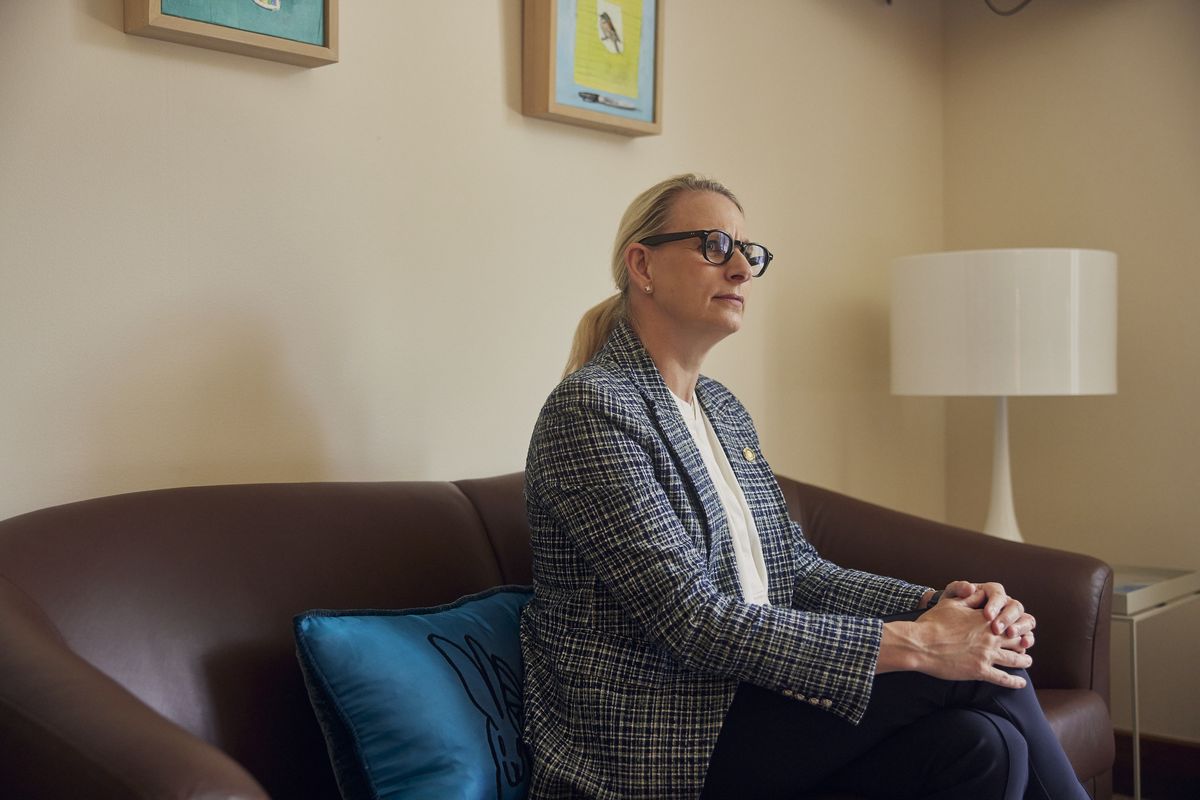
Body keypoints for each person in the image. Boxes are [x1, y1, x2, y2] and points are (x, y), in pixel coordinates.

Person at [519, 174, 1089, 799]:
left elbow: (799, 571)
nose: (740, 268)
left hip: (756, 701)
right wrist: (920, 643)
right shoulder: (592, 408)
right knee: (987, 673)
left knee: (986, 744)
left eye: (749, 252)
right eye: (714, 245)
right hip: (662, 737)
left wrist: (938, 604)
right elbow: (693, 620)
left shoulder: (721, 409)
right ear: (642, 263)